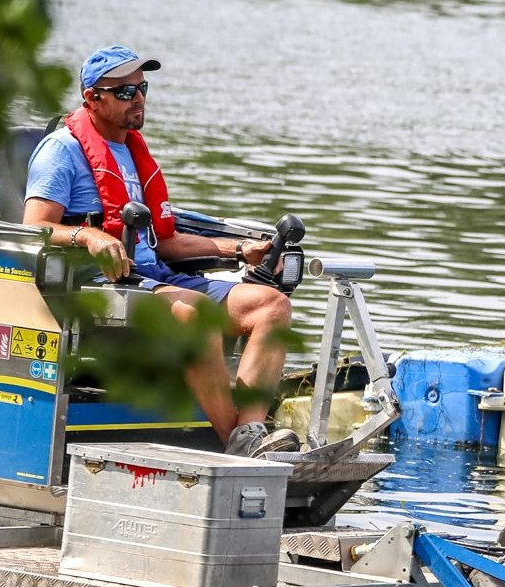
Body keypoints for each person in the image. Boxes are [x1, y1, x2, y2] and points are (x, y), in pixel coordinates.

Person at [21, 45, 299, 457]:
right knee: (193, 313)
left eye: (142, 88)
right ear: (92, 98)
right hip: (99, 286)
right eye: (125, 92)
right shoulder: (62, 151)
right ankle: (236, 447)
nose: (139, 99)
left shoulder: (133, 154)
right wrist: (91, 237)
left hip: (158, 278)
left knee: (271, 306)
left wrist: (241, 250)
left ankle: (251, 431)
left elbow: (164, 242)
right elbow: (33, 227)